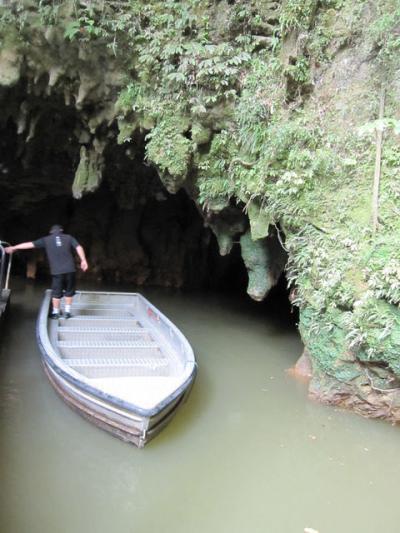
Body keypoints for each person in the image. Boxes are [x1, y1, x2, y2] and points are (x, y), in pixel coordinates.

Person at [5, 225, 88, 319]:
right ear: (61, 230)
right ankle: (67, 312)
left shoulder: (46, 240)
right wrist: (83, 260)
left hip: (57, 271)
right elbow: (79, 247)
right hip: (70, 269)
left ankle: (56, 313)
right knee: (69, 291)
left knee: (56, 292)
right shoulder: (69, 237)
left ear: (51, 232)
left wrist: (14, 248)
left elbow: (29, 244)